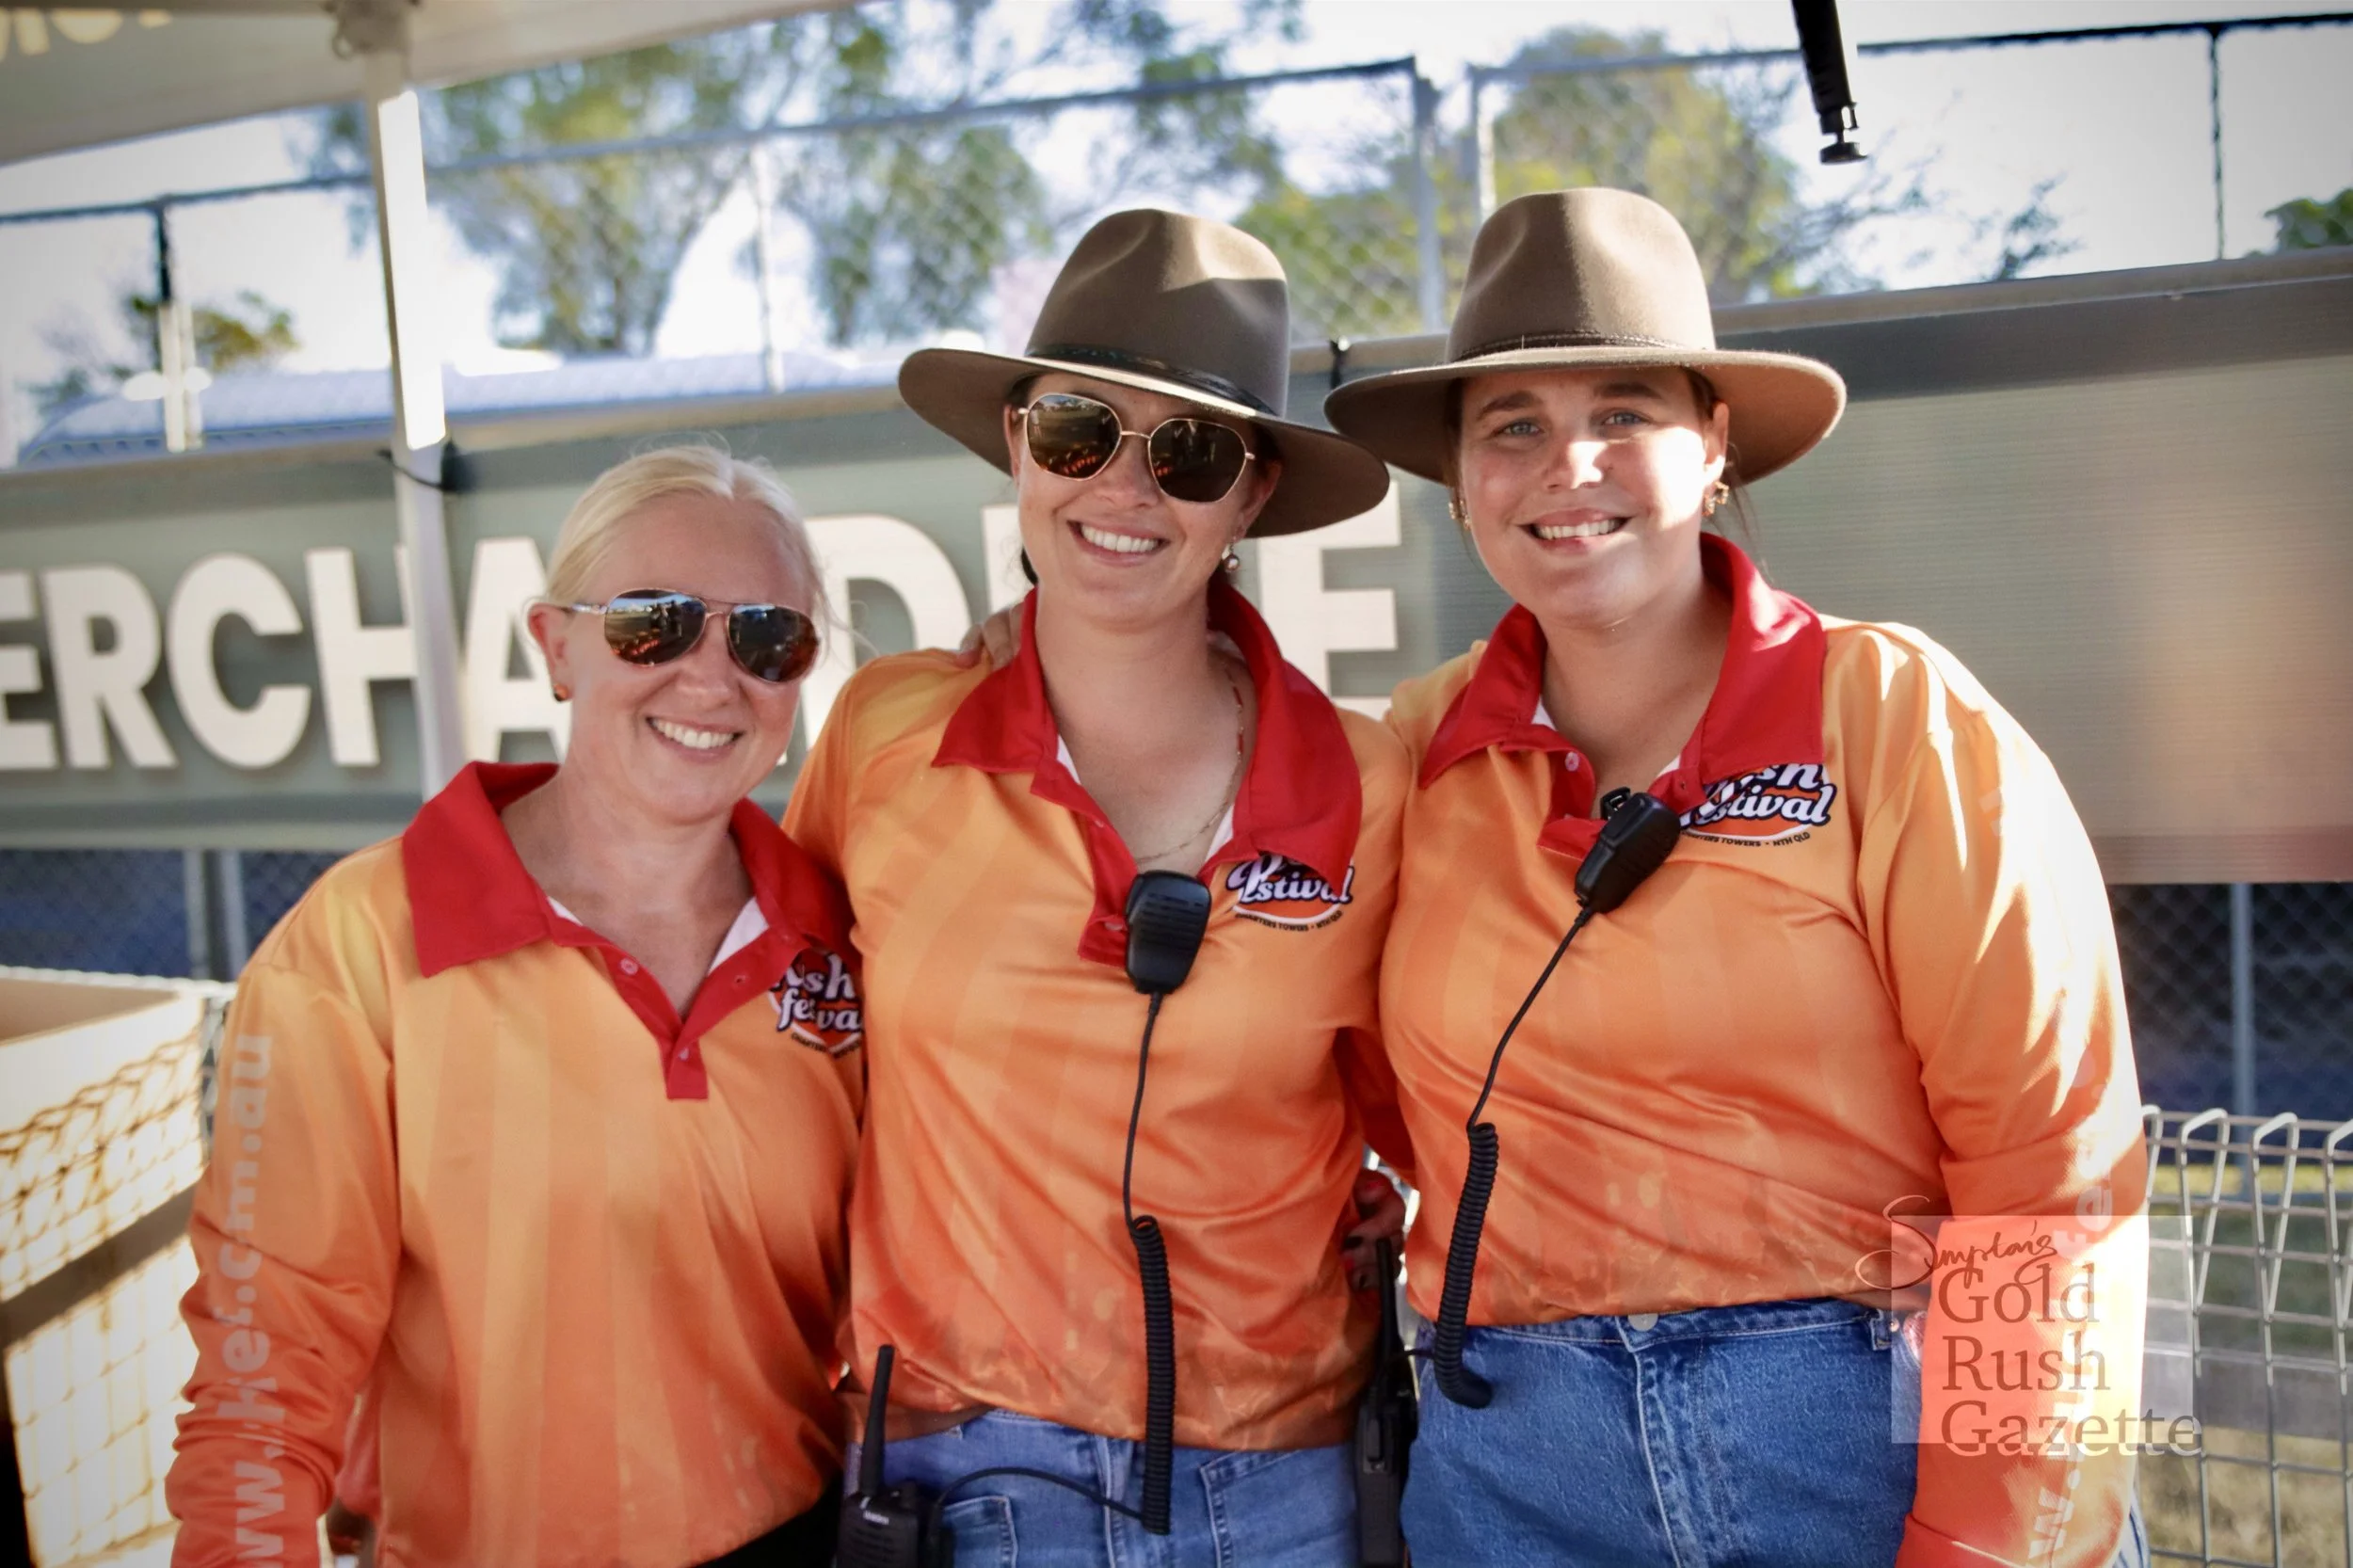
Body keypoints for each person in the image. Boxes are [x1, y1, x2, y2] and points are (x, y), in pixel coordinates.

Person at [1321, 187, 2151, 1567]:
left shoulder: (1893, 714)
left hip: (1875, 1437)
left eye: (1624, 411)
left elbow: (2051, 1175)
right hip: (1511, 1459)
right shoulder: (1411, 758)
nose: (1565, 462)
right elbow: (1329, 1045)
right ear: (1464, 480)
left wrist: (1994, 1545)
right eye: (1511, 424)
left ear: (1712, 445)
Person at [785, 208, 1410, 1568]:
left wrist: (1387, 1198)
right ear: (1015, 441)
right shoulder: (888, 736)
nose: (1124, 489)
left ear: (1251, 499)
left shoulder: (1380, 784)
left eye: (1188, 454)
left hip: (1286, 1480)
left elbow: (1436, 1094)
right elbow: (786, 1058)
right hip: (962, 1461)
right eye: (1079, 430)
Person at [168, 446, 863, 1567]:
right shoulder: (363, 940)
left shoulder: (839, 940)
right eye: (655, 621)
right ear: (555, 645)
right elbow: (265, 1367)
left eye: (766, 638)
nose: (710, 676)